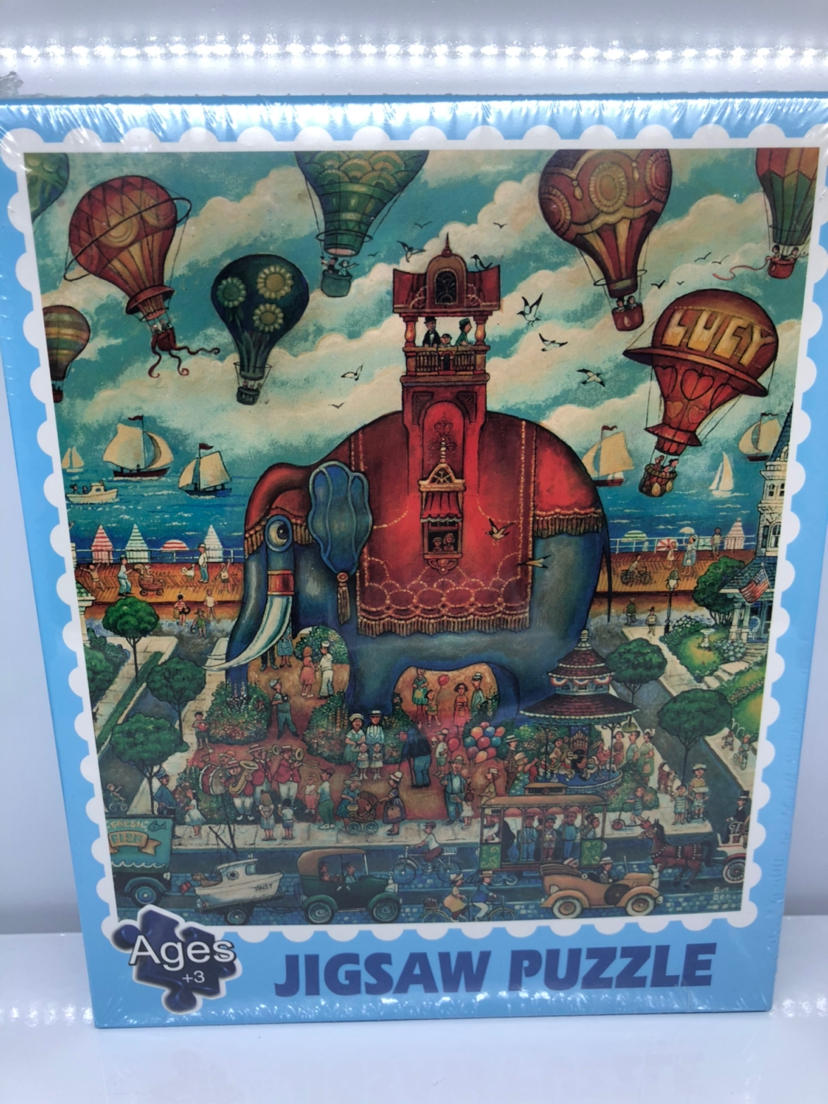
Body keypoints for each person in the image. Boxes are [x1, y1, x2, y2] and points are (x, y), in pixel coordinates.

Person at [441, 758, 467, 824]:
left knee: (461, 807)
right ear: (451, 765)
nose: (457, 765)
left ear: (461, 766)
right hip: (450, 794)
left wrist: (468, 781)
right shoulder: (448, 776)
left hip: (460, 794)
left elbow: (464, 782)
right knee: (451, 807)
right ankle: (452, 819)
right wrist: (444, 782)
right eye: (455, 763)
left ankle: (461, 818)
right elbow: (442, 781)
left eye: (459, 764)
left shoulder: (460, 776)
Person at [383, 771, 406, 836]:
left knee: (396, 818)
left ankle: (396, 830)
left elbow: (388, 797)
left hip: (395, 804)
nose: (389, 781)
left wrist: (382, 799)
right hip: (393, 803)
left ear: (394, 782)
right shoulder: (394, 789)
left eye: (390, 780)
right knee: (393, 817)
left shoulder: (394, 790)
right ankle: (394, 828)